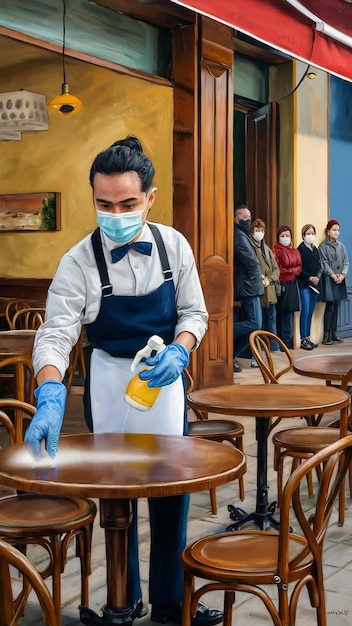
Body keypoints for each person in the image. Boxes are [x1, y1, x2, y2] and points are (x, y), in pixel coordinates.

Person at [24, 136, 222, 626]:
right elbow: (55, 333)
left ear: (150, 198)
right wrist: (49, 391)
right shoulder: (78, 261)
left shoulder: (174, 245)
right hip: (109, 380)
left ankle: (172, 604)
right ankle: (124, 599)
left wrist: (181, 347)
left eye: (128, 203)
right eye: (104, 204)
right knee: (118, 493)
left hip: (163, 378)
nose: (115, 214)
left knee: (173, 490)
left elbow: (195, 313)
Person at [233, 205, 264, 372]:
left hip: (250, 286)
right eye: (244, 218)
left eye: (249, 217)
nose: (248, 221)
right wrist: (258, 278)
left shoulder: (243, 235)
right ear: (237, 219)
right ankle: (224, 330)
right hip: (248, 287)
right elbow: (251, 262)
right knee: (255, 323)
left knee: (253, 328)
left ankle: (229, 357)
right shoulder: (238, 236)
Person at [250, 218, 280, 351]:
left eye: (261, 230)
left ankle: (274, 346)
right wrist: (262, 277)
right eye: (257, 230)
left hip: (270, 289)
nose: (259, 233)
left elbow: (276, 269)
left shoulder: (267, 248)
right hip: (258, 288)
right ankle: (259, 348)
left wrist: (270, 279)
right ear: (252, 231)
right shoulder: (250, 246)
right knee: (259, 321)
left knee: (272, 318)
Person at [318, 219, 349, 345]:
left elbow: (346, 261)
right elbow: (323, 262)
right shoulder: (322, 246)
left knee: (336, 306)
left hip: (340, 280)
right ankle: (326, 334)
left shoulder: (341, 246)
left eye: (338, 230)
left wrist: (342, 275)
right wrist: (332, 274)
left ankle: (334, 333)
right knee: (329, 307)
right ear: (328, 231)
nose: (336, 232)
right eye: (334, 230)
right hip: (329, 280)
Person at [273, 225, 302, 349]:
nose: (285, 238)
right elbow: (278, 269)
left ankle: (288, 340)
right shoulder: (276, 251)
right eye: (282, 236)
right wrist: (291, 271)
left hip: (292, 285)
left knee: (289, 312)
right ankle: (280, 341)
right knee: (281, 312)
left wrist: (292, 271)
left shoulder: (295, 251)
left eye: (287, 236)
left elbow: (300, 268)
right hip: (281, 285)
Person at [297, 223, 322, 350]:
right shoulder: (300, 250)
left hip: (315, 285)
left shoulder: (315, 249)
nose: (311, 236)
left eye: (313, 233)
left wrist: (317, 277)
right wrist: (309, 277)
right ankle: (303, 339)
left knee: (311, 312)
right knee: (305, 311)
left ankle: (308, 337)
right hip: (305, 284)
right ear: (303, 235)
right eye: (308, 234)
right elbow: (299, 269)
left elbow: (319, 265)